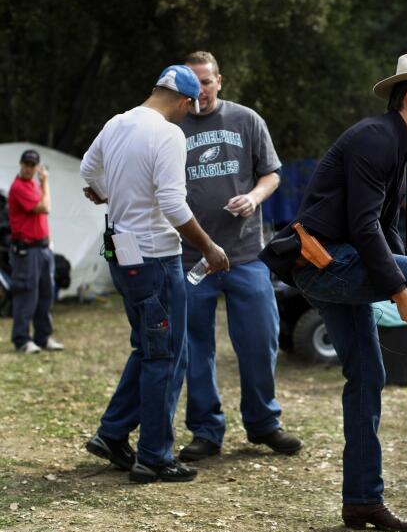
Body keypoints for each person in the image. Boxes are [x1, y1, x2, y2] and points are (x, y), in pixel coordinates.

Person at [260, 52, 407, 532]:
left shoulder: (398, 148)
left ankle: (362, 500)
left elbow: (385, 231)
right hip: (323, 264)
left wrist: (401, 276)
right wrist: (402, 290)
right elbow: (364, 227)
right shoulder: (374, 139)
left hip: (340, 262)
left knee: (367, 376)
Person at [80, 65, 229, 483]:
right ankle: (155, 456)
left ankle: (111, 435)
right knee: (165, 355)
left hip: (121, 252)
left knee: (147, 348)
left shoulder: (117, 123)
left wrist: (107, 194)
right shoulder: (168, 134)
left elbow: (88, 171)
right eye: (190, 108)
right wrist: (209, 247)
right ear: (184, 101)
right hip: (156, 258)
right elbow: (173, 203)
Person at [172, 51, 301, 462]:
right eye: (192, 84)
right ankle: (206, 431)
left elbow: (272, 173)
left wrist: (254, 196)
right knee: (195, 347)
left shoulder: (246, 120)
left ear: (219, 81)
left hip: (247, 255)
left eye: (206, 82)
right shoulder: (170, 127)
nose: (200, 91)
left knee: (260, 342)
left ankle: (264, 424)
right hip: (193, 258)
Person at [7, 149, 63, 354]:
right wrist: (45, 182)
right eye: (26, 164)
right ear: (21, 164)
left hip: (42, 247)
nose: (28, 168)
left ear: (36, 167)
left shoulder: (33, 185)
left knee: (45, 295)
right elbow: (44, 208)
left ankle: (43, 337)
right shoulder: (19, 187)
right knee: (26, 295)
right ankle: (22, 339)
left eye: (32, 165)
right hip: (27, 251)